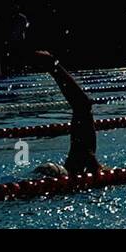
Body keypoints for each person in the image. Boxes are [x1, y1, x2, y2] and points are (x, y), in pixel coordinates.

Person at [27, 50, 101, 178]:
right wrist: (53, 66)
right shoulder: (81, 166)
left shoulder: (79, 164)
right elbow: (83, 106)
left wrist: (53, 67)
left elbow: (83, 106)